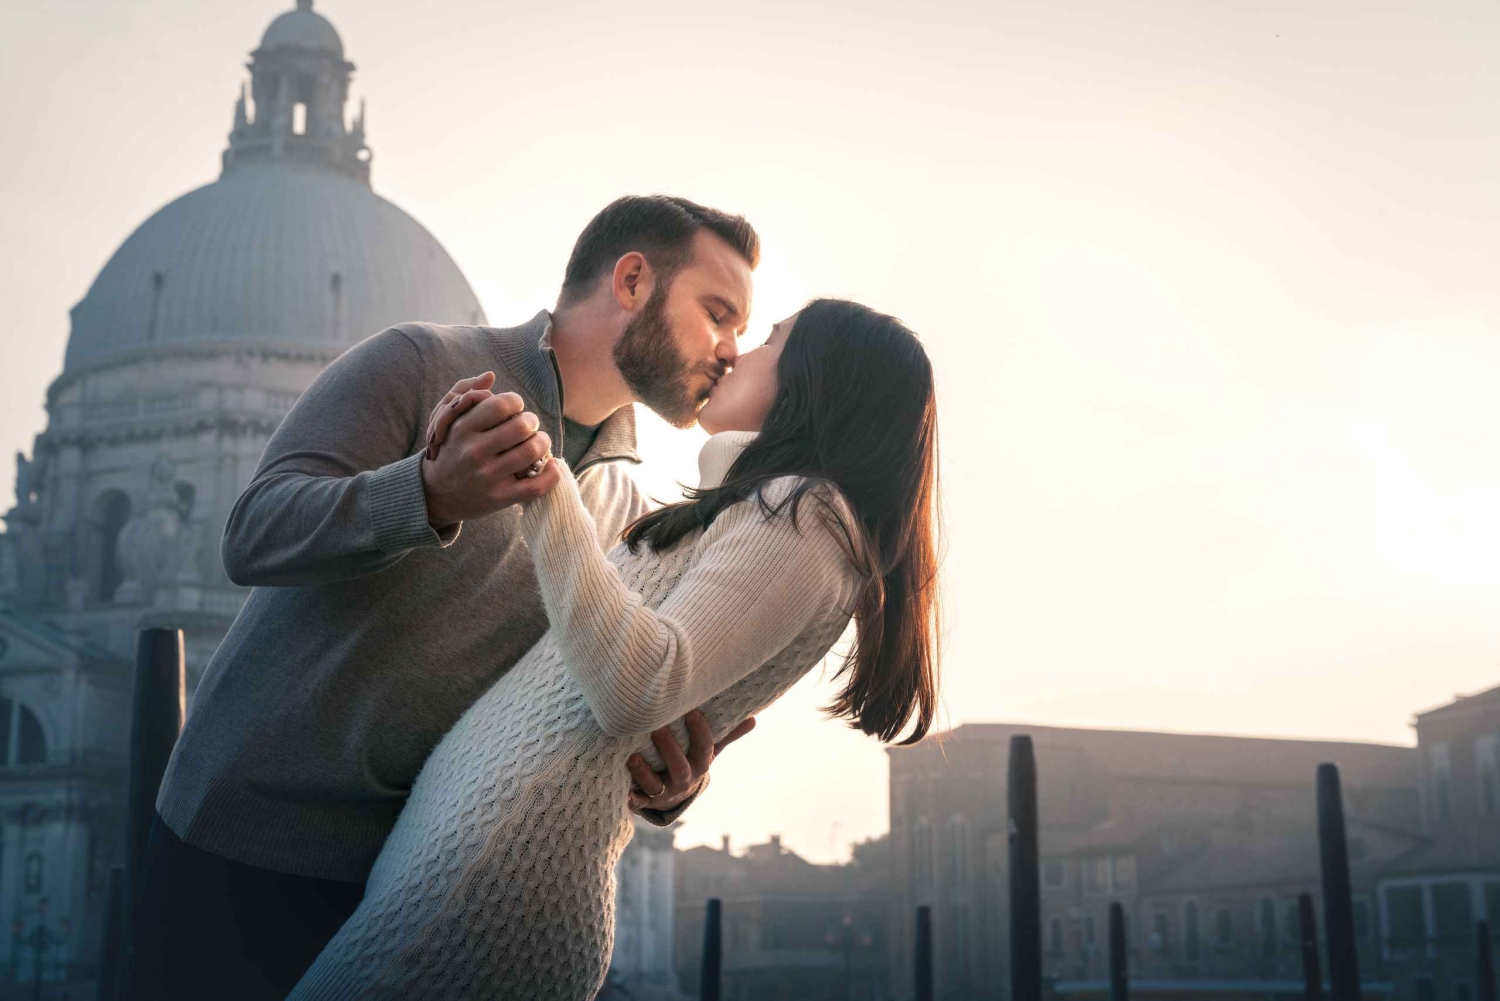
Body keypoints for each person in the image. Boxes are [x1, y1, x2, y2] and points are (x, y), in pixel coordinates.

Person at [126, 196, 766, 1000]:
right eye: (718, 314)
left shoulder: (631, 513)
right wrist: (426, 494)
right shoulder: (419, 362)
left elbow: (583, 704)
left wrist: (667, 787)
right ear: (633, 280)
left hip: (420, 890)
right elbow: (252, 533)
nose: (733, 351)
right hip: (238, 850)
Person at [289, 298, 942, 999]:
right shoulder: (761, 509)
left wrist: (543, 482)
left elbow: (638, 686)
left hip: (495, 878)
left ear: (816, 381)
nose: (734, 353)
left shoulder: (805, 515)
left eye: (769, 342)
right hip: (471, 865)